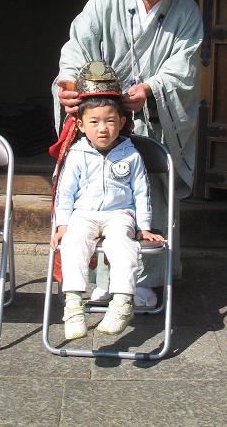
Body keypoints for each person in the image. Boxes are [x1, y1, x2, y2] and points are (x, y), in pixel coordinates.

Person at [52, 0, 204, 307]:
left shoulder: (186, 11)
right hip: (105, 116)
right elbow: (77, 45)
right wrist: (68, 80)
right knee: (97, 193)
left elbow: (184, 67)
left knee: (148, 194)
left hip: (153, 119)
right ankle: (100, 278)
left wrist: (152, 88)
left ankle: (145, 282)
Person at [50, 61, 163, 340]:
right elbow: (65, 192)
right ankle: (73, 305)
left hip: (119, 214)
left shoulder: (130, 154)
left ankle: (122, 302)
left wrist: (143, 227)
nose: (103, 129)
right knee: (74, 243)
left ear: (122, 123)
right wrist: (63, 224)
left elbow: (141, 192)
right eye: (94, 122)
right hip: (83, 214)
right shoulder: (77, 154)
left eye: (110, 121)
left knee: (124, 245)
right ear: (80, 124)